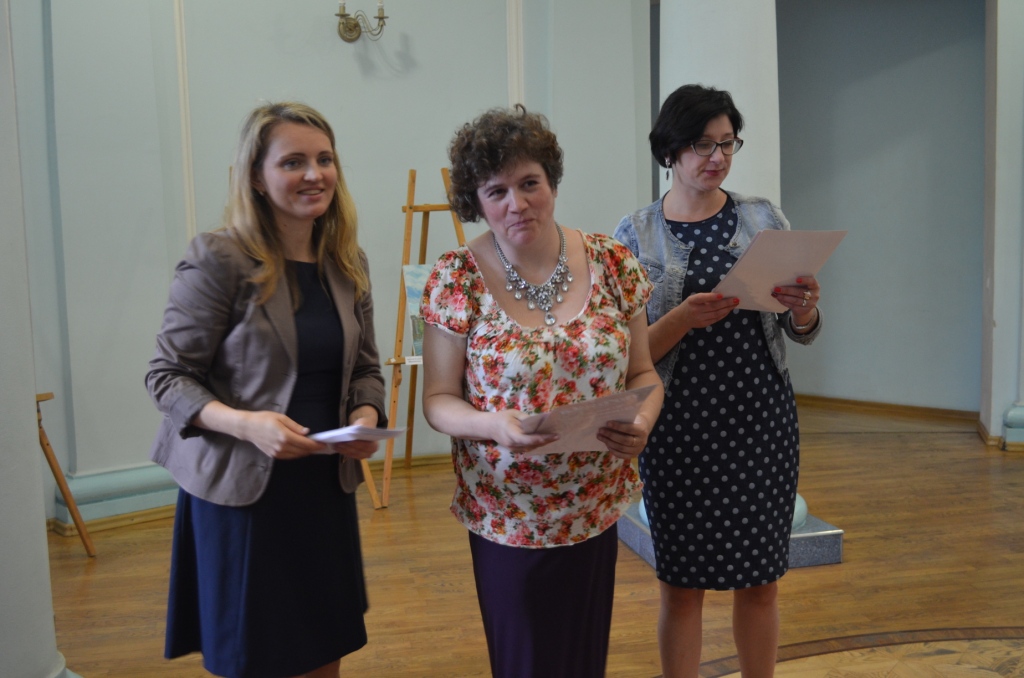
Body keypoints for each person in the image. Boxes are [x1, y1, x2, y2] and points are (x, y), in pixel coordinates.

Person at [420, 106, 664, 678]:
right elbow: (437, 399)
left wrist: (643, 423)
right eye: (496, 191)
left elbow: (644, 374)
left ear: (551, 181)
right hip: (508, 511)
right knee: (525, 663)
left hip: (594, 503)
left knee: (582, 659)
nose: (517, 203)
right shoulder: (457, 276)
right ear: (476, 201)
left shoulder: (612, 262)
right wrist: (492, 425)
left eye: (529, 183)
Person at [146, 102, 387, 678]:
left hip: (323, 487)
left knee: (322, 649)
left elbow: (366, 369)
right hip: (244, 493)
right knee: (256, 657)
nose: (314, 174)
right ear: (256, 175)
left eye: (324, 159)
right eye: (293, 162)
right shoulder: (219, 258)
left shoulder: (346, 261)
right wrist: (247, 424)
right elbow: (167, 376)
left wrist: (367, 414)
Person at [614, 84, 823, 678]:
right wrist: (682, 318)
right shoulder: (635, 235)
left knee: (761, 581)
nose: (718, 157)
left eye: (728, 143)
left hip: (761, 421)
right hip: (678, 429)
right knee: (681, 586)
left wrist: (804, 309)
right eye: (703, 145)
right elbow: (624, 357)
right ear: (670, 151)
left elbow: (801, 331)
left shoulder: (763, 217)